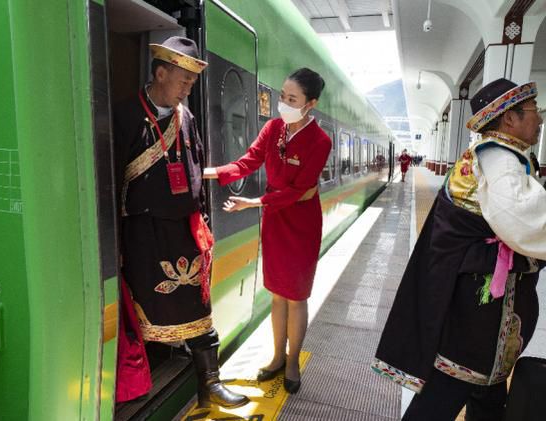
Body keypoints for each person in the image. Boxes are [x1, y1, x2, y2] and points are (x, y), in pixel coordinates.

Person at [371, 78, 545, 421]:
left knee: (482, 390)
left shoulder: (503, 156)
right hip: (476, 312)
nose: (539, 118)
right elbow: (524, 223)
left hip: (478, 305)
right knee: (448, 390)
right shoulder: (499, 159)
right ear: (509, 119)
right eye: (533, 111)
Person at [113, 36, 248, 409]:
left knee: (197, 309)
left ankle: (210, 386)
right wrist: (116, 244)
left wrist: (202, 223)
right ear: (160, 73)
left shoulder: (185, 117)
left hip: (184, 234)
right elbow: (111, 182)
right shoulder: (125, 115)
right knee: (143, 310)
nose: (188, 89)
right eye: (183, 80)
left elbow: (196, 165)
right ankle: (136, 385)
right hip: (144, 236)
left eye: (192, 82)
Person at [204, 68, 332, 394]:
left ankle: (292, 363)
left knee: (296, 296)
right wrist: (210, 172)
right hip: (275, 220)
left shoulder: (321, 141)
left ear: (311, 104)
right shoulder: (273, 129)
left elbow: (301, 191)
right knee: (277, 293)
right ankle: (277, 357)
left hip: (301, 223)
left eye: (292, 99)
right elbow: (248, 161)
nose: (283, 103)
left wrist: (254, 202)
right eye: (282, 96)